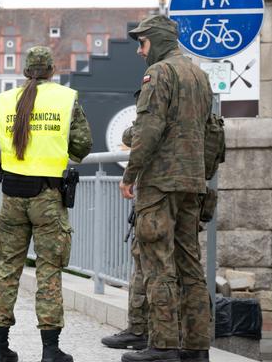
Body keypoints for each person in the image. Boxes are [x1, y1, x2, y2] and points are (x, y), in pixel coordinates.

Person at [0, 46, 92, 362]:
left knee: (7, 272)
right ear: (52, 69)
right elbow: (82, 144)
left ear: (25, 70)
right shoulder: (66, 99)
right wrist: (60, 152)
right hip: (48, 199)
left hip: (12, 196)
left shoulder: (4, 100)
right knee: (48, 273)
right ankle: (50, 351)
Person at [119, 15, 212, 362]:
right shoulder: (199, 75)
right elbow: (213, 132)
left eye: (142, 43)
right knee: (190, 263)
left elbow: (148, 129)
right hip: (192, 181)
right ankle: (196, 347)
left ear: (156, 40)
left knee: (158, 262)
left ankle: (163, 345)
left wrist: (130, 176)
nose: (140, 51)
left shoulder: (160, 73)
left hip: (160, 184)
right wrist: (203, 173)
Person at [101, 98, 149, 352]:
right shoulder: (198, 87)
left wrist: (128, 177)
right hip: (190, 189)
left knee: (144, 260)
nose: (140, 53)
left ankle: (140, 330)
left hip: (158, 189)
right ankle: (189, 341)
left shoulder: (159, 85)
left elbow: (136, 135)